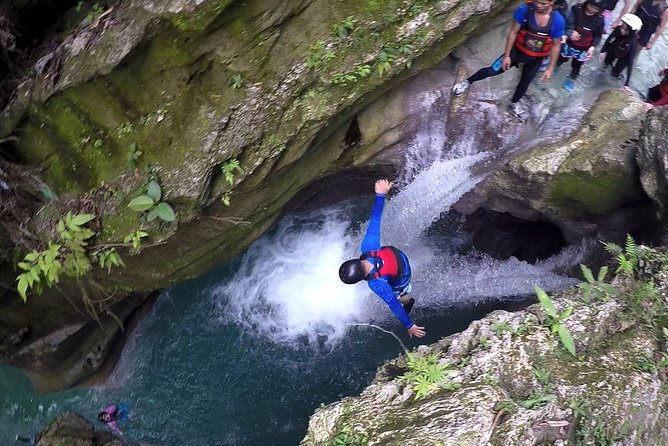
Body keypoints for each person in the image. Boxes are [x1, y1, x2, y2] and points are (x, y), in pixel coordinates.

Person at [338, 179, 426, 338]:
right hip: (400, 256)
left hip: (404, 276)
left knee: (401, 297)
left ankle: (408, 300)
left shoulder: (376, 283)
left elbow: (393, 304)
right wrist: (380, 195)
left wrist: (410, 325)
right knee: (394, 286)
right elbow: (375, 220)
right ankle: (405, 295)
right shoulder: (368, 248)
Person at [452, 0, 565, 122]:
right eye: (537, 1)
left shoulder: (557, 21)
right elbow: (514, 32)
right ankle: (467, 82)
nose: (538, 5)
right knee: (492, 70)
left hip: (535, 59)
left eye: (543, 3)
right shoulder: (525, 10)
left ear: (552, 2)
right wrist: (507, 55)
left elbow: (555, 45)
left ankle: (515, 102)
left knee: (525, 83)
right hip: (516, 53)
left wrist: (550, 68)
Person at [557, 0, 605, 92]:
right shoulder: (577, 9)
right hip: (570, 43)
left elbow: (598, 35)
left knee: (576, 65)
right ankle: (555, 68)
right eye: (591, 6)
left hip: (583, 48)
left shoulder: (599, 19)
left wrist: (593, 47)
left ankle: (571, 79)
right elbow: (567, 22)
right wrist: (570, 32)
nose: (592, 10)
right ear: (587, 3)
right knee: (561, 58)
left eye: (596, 9)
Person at [598, 13, 642, 85]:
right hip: (614, 48)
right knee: (606, 64)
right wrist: (602, 52)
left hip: (624, 57)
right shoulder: (618, 29)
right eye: (622, 26)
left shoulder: (633, 42)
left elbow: (630, 61)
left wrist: (627, 83)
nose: (622, 29)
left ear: (631, 31)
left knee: (614, 74)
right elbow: (608, 40)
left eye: (625, 28)